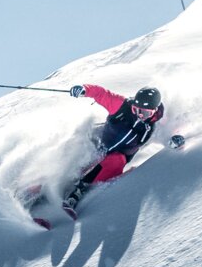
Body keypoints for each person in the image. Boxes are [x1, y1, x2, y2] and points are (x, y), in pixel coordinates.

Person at [61, 84, 180, 215]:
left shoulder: (155, 124)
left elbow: (168, 130)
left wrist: (175, 138)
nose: (140, 115)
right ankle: (48, 182)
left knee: (116, 161)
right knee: (79, 150)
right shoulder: (122, 106)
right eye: (136, 110)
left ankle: (79, 190)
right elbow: (102, 94)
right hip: (98, 141)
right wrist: (85, 90)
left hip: (117, 156)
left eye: (145, 113)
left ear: (154, 111)